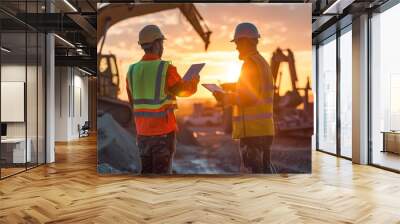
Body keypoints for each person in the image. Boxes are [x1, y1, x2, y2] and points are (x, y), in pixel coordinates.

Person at [126, 25, 200, 174]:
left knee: (146, 174)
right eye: (162, 43)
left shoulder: (131, 70)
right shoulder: (166, 69)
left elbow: (132, 101)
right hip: (163, 134)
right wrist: (194, 82)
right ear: (157, 44)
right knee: (162, 178)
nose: (163, 47)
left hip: (142, 134)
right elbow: (183, 91)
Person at [213, 22, 275, 173]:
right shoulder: (261, 62)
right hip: (263, 130)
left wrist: (224, 98)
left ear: (245, 41)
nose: (236, 47)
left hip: (253, 133)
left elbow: (248, 97)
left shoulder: (249, 64)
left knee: (254, 177)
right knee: (264, 174)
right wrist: (233, 85)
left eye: (237, 43)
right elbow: (254, 87)